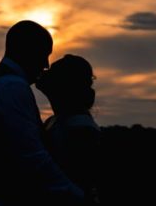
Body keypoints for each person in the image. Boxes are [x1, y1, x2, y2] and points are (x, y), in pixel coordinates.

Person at [0, 21, 86, 206]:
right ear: (27, 51)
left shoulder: (0, 80)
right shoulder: (12, 86)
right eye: (43, 55)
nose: (45, 64)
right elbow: (31, 154)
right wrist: (75, 195)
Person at [35, 55, 101, 204]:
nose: (45, 71)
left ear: (64, 85)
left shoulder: (81, 129)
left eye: (52, 71)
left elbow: (80, 184)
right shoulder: (57, 121)